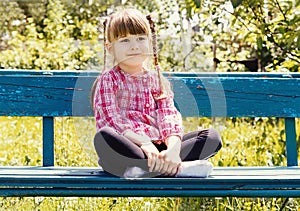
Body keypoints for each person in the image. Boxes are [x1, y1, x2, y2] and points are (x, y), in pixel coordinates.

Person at [92, 8, 222, 178]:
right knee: (104, 137)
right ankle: (178, 169)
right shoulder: (109, 79)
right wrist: (144, 142)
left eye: (140, 38)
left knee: (212, 137)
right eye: (125, 40)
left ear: (150, 41)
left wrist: (173, 149)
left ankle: (147, 169)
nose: (134, 46)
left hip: (160, 148)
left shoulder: (157, 80)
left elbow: (169, 115)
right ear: (110, 48)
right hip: (132, 147)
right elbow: (111, 119)